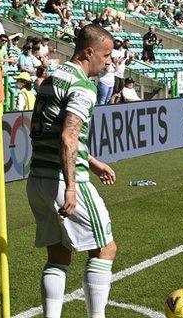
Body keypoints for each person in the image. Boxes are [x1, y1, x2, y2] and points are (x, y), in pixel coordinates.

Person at [27, 24, 117, 318]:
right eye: (105, 55)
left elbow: (53, 132)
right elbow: (68, 136)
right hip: (64, 179)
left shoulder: (52, 78)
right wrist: (71, 186)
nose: (108, 62)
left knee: (58, 254)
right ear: (88, 51)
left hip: (37, 178)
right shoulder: (82, 85)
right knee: (105, 249)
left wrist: (92, 160)